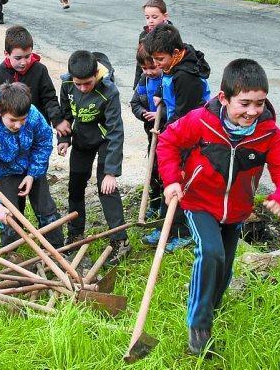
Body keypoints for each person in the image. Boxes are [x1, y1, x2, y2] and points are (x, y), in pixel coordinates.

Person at [157, 59, 280, 355]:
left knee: (223, 266)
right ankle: (199, 329)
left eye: (259, 103)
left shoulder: (268, 134)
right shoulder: (200, 121)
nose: (252, 112)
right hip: (198, 202)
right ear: (224, 98)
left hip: (236, 211)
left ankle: (213, 304)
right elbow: (168, 142)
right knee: (209, 253)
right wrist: (172, 179)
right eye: (245, 103)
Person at [141, 24, 211, 252]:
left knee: (180, 180)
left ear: (176, 53)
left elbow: (187, 114)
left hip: (192, 133)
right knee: (167, 178)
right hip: (177, 127)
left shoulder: (186, 77)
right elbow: (167, 84)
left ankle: (181, 231)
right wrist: (161, 94)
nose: (157, 64)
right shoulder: (173, 65)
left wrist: (168, 133)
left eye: (160, 59)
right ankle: (166, 227)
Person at [57, 50, 129, 265]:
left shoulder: (109, 91)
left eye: (87, 83)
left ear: (96, 74)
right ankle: (76, 235)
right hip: (81, 138)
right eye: (78, 84)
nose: (82, 88)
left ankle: (120, 239)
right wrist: (64, 140)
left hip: (105, 138)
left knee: (106, 188)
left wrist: (111, 171)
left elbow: (116, 131)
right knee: (75, 185)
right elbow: (66, 115)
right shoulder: (67, 84)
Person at [0, 83, 64, 249]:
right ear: (0, 112)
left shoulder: (33, 115)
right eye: (13, 120)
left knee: (47, 209)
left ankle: (57, 249)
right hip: (5, 171)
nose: (18, 125)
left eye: (23, 120)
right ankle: (12, 256)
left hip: (31, 166)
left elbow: (43, 142)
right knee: (9, 215)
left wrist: (32, 174)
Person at [0, 25, 70, 137]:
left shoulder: (40, 70)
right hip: (8, 132)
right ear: (7, 54)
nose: (23, 62)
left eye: (27, 56)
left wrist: (57, 120)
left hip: (35, 130)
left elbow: (49, 99)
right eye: (18, 58)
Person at [129, 43, 165, 220]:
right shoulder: (144, 80)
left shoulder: (167, 79)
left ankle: (164, 208)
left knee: (164, 171)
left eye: (152, 67)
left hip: (166, 131)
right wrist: (144, 114)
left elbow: (176, 107)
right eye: (144, 68)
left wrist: (160, 113)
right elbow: (135, 103)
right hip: (152, 132)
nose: (149, 72)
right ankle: (154, 203)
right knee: (152, 171)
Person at [133, 0, 172, 89]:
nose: (150, 21)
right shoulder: (143, 35)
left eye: (154, 17)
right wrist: (136, 85)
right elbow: (140, 63)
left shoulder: (171, 35)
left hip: (165, 81)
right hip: (147, 78)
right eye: (147, 17)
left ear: (165, 16)